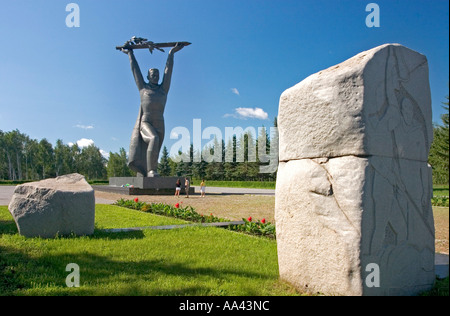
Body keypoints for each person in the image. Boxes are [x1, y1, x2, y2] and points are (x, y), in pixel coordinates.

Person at [121, 42, 185, 177]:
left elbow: (169, 72)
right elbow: (135, 71)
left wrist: (171, 53)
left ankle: (146, 171)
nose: (155, 76)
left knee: (155, 149)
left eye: (157, 74)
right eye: (152, 74)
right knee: (153, 139)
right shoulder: (143, 89)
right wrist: (130, 54)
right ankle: (151, 172)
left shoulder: (163, 90)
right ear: (147, 77)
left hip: (160, 123)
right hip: (146, 122)